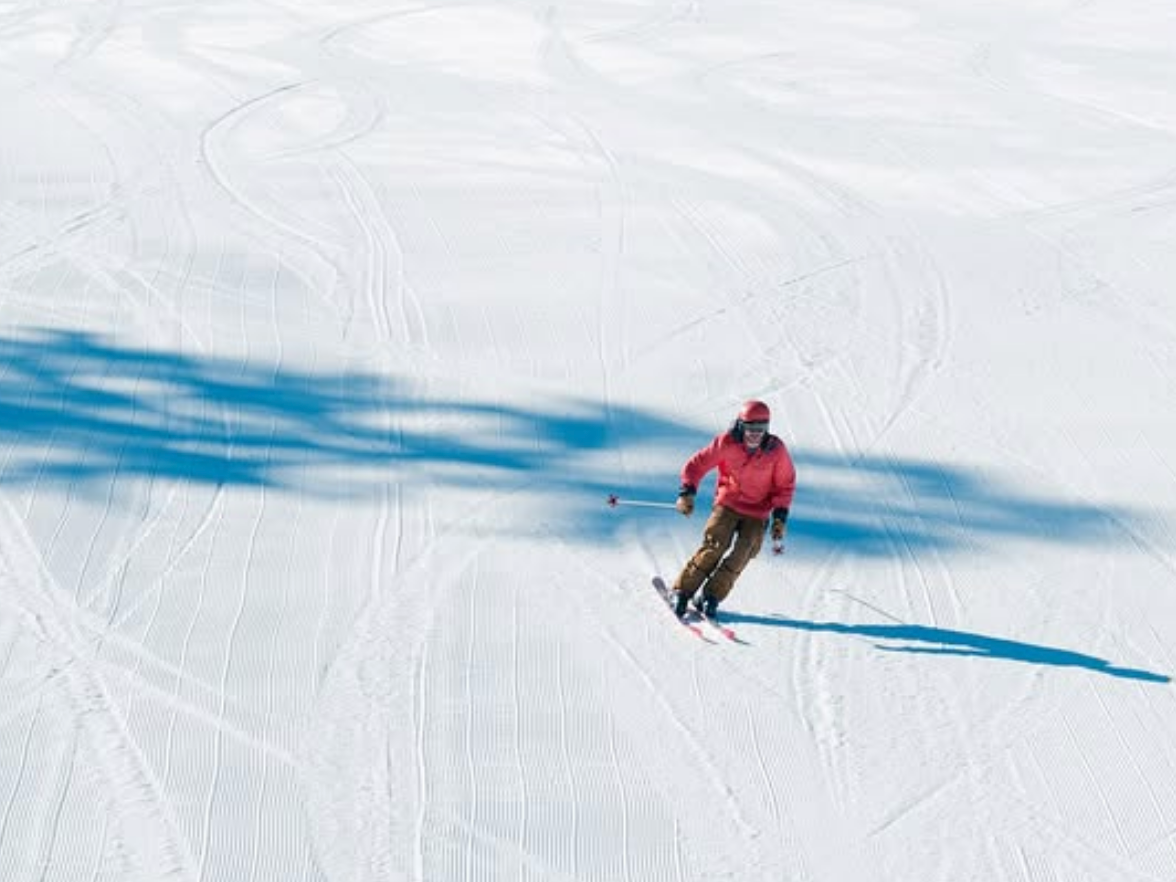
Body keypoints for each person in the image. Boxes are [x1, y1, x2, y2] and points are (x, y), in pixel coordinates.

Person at [671, 400, 796, 619]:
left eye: (761, 429)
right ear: (741, 425)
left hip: (758, 511)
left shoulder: (775, 451)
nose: (755, 434)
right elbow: (697, 465)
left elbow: (785, 485)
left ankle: (711, 597)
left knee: (743, 553)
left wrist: (779, 517)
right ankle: (683, 591)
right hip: (728, 503)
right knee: (715, 545)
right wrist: (687, 493)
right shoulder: (726, 443)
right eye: (750, 428)